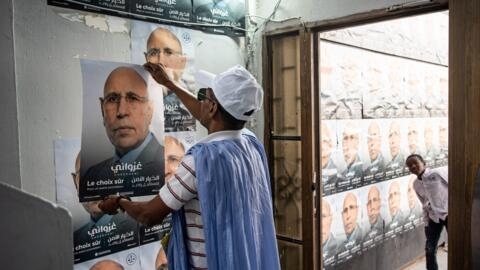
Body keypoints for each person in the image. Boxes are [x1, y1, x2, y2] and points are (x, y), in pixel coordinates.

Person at [99, 63, 280, 270]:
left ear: (212, 107)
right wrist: (169, 84)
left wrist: (119, 202)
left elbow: (148, 215)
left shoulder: (200, 161)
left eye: (205, 96)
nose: (201, 101)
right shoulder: (249, 143)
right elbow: (210, 118)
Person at [81, 66, 164, 201]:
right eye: (113, 99)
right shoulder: (92, 175)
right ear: (102, 110)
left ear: (150, 110)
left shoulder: (169, 167)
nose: (122, 111)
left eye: (133, 98)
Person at [72, 152, 138, 263]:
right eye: (85, 175)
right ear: (75, 183)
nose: (94, 184)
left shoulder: (137, 229)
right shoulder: (74, 240)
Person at [145, 27, 195, 132]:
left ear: (183, 61)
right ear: (146, 59)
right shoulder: (137, 91)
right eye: (153, 53)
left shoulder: (192, 101)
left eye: (168, 52)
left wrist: (168, 88)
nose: (161, 61)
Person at [405, 154, 448, 270]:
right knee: (430, 249)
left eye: (415, 162)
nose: (413, 166)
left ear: (423, 162)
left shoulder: (437, 173)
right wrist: (426, 223)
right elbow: (424, 204)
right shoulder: (416, 184)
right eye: (409, 165)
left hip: (449, 215)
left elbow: (454, 186)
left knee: (458, 246)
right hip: (433, 218)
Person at [340, 121, 363, 188]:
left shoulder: (364, 172)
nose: (348, 144)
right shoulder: (340, 177)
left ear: (358, 142)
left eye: (352, 137)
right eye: (345, 138)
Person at [321, 122, 340, 195]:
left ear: (331, 144)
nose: (321, 146)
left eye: (324, 141)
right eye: (316, 140)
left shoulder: (340, 179)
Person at [321, 199, 339, 265]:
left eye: (323, 216)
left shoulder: (339, 248)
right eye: (314, 216)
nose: (320, 224)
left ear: (330, 219)